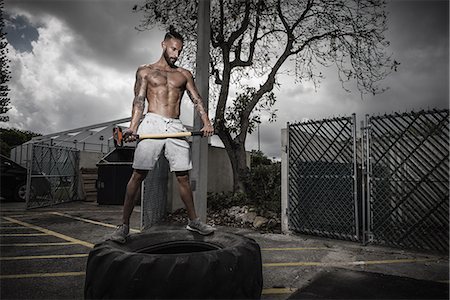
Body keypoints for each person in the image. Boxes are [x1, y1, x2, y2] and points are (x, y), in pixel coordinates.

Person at [109, 28, 215, 243]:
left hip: (176, 125)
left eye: (180, 51)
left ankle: (194, 221)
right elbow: (139, 101)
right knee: (138, 174)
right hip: (152, 122)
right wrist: (133, 127)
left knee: (183, 177)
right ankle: (124, 226)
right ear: (163, 45)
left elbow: (197, 99)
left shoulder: (184, 74)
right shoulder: (145, 71)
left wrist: (206, 122)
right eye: (173, 49)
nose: (176, 54)